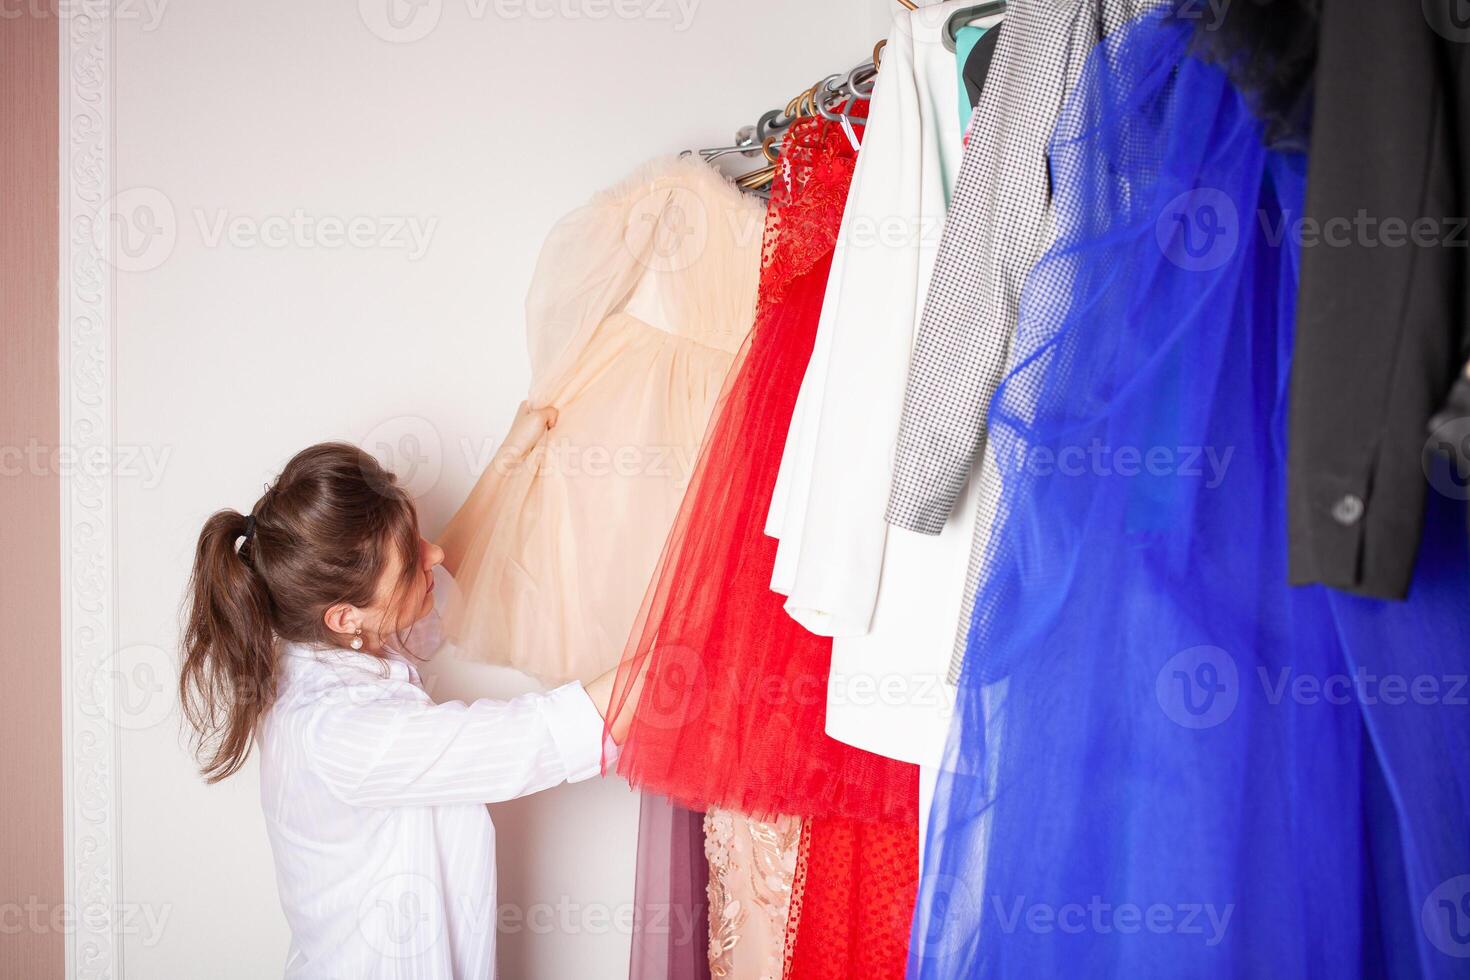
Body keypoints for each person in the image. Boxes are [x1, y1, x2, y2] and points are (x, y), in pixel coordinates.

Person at [179, 404, 620, 978]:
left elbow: (446, 563)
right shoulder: (337, 730)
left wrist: (512, 454)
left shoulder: (329, 643)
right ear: (345, 616)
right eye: (412, 560)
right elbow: (534, 736)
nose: (430, 554)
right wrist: (688, 645)